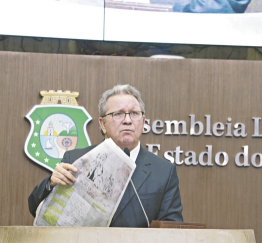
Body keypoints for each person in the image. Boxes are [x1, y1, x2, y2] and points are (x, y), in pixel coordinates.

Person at [28, 84, 183, 227]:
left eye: (134, 114)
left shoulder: (163, 171)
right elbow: (35, 208)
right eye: (118, 114)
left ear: (143, 122)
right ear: (102, 124)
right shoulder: (75, 159)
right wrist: (51, 183)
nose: (128, 120)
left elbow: (171, 228)